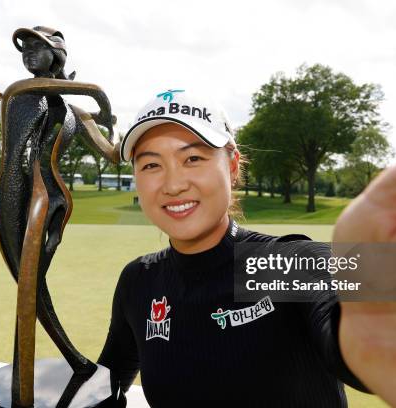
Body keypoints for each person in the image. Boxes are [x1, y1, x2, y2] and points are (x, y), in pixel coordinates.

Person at [91, 90, 370, 407]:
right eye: (151, 165)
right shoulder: (139, 280)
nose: (173, 184)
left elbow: (365, 354)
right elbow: (103, 389)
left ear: (233, 165)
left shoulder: (288, 263)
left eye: (192, 159)